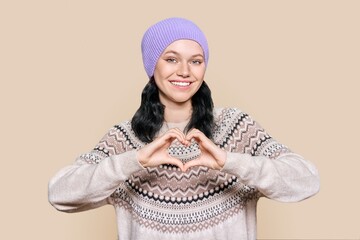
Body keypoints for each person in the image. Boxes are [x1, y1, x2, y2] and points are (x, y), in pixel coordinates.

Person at [48, 17, 320, 240]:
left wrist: (231, 162)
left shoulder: (235, 127)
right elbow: (59, 193)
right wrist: (134, 161)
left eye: (196, 61)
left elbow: (307, 180)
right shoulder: (125, 138)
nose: (185, 71)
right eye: (171, 59)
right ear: (151, 66)